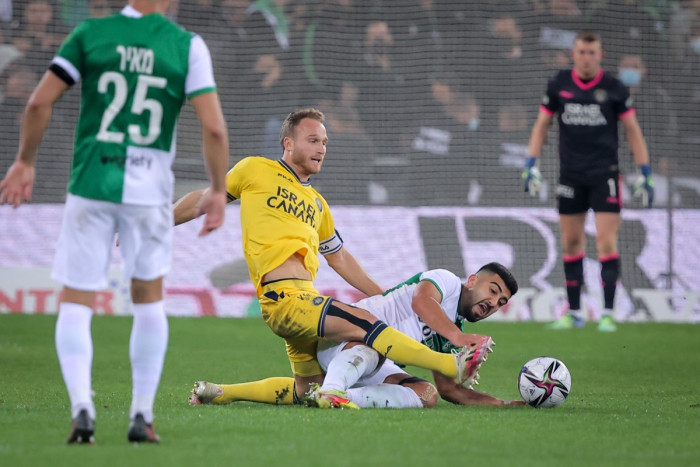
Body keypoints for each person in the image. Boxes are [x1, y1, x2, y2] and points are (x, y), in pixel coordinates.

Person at [0, 0, 230, 444]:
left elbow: (38, 101)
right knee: (148, 300)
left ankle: (82, 409)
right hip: (148, 196)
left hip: (91, 187)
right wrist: (217, 190)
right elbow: (215, 128)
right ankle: (142, 415)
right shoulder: (187, 46)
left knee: (76, 300)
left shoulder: (89, 34)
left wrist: (24, 161)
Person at [173, 108, 491, 409]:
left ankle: (220, 393)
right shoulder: (255, 169)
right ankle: (453, 364)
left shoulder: (318, 204)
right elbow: (204, 199)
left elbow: (339, 259)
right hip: (283, 297)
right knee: (367, 324)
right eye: (312, 140)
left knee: (306, 389)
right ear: (288, 143)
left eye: (324, 142)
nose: (321, 148)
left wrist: (384, 296)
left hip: (303, 301)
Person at [189, 264, 525, 409]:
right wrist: (457, 339)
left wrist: (503, 404)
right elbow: (422, 303)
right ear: (471, 280)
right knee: (375, 347)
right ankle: (333, 391)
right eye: (492, 290)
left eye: (501, 302)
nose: (493, 302)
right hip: (344, 338)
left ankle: (331, 396)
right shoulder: (446, 282)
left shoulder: (453, 333)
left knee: (427, 394)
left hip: (368, 363)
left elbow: (452, 390)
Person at [522, 31, 654, 333]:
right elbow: (542, 124)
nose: (586, 57)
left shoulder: (614, 88)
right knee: (571, 243)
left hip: (604, 175)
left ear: (600, 55)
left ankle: (608, 313)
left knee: (606, 242)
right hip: (570, 175)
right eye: (581, 52)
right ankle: (575, 312)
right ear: (574, 54)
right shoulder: (559, 84)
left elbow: (633, 130)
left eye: (592, 52)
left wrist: (644, 172)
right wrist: (531, 164)